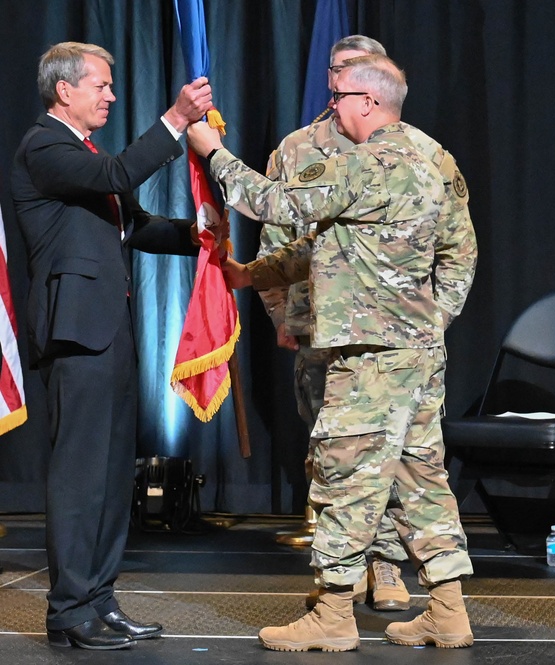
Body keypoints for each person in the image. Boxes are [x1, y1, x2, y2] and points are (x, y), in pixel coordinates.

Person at [187, 54, 476, 652]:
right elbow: (338, 248)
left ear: (368, 102)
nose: (331, 107)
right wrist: (249, 275)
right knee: (420, 476)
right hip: (418, 351)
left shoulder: (366, 163)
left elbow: (277, 206)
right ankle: (448, 608)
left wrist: (212, 150)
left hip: (370, 355)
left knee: (344, 477)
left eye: (339, 95)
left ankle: (334, 612)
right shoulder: (430, 159)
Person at [10, 42, 216, 650]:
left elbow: (138, 224)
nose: (111, 95)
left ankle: (99, 599)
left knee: (108, 474)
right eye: (100, 85)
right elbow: (117, 176)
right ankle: (68, 610)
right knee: (79, 478)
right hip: (74, 333)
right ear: (64, 91)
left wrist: (200, 236)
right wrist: (176, 120)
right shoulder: (44, 146)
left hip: (109, 331)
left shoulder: (86, 152)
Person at [259, 35, 447, 614]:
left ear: (374, 88)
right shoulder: (298, 149)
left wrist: (438, 312)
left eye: (353, 75)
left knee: (395, 457)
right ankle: (344, 577)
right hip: (320, 326)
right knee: (335, 454)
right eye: (336, 73)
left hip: (390, 334)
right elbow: (279, 241)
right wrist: (279, 312)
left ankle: (382, 569)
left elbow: (455, 241)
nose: (338, 85)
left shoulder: (412, 151)